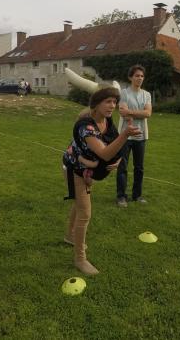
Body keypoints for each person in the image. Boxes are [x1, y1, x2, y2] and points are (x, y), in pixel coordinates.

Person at [63, 86, 140, 275]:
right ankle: (80, 259)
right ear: (96, 105)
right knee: (85, 213)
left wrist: (119, 159)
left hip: (88, 169)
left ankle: (69, 236)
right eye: (108, 102)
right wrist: (125, 135)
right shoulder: (86, 127)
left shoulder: (106, 120)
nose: (112, 106)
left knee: (80, 204)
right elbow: (105, 153)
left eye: (114, 102)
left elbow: (113, 145)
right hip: (75, 169)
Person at [116, 64, 152, 207]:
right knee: (122, 166)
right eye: (137, 75)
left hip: (141, 136)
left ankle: (137, 195)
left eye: (142, 76)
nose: (140, 78)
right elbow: (123, 114)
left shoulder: (147, 95)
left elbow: (148, 113)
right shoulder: (124, 93)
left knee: (139, 167)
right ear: (131, 77)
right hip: (125, 135)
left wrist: (131, 112)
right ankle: (121, 196)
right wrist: (138, 113)